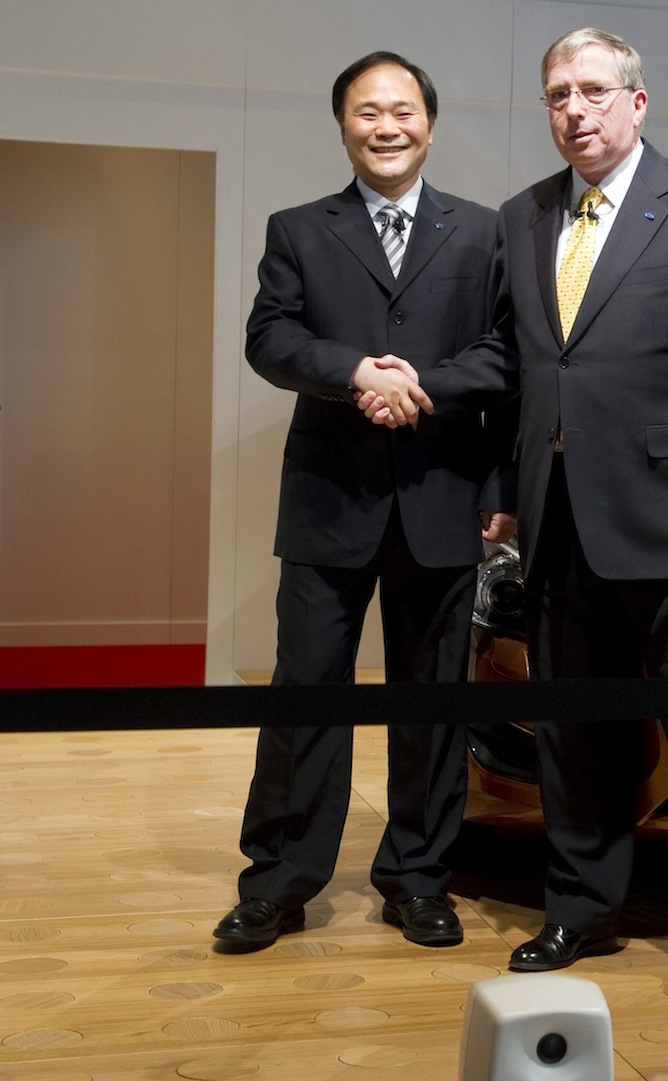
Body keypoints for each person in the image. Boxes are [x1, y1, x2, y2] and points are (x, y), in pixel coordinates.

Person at [369, 27, 668, 994]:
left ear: (637, 104)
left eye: (594, 91)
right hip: (557, 523)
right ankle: (581, 909)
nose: (575, 110)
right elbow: (520, 370)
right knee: (572, 732)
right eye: (558, 95)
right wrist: (497, 482)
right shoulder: (523, 217)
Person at [214, 51, 515, 954]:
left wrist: (415, 383)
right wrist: (354, 373)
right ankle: (279, 882)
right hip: (328, 500)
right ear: (342, 124)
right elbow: (270, 339)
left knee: (433, 701)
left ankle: (418, 879)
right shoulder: (300, 228)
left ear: (430, 121)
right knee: (305, 692)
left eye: (402, 111)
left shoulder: (487, 232)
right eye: (366, 112)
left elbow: (509, 353)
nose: (386, 127)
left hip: (443, 497)